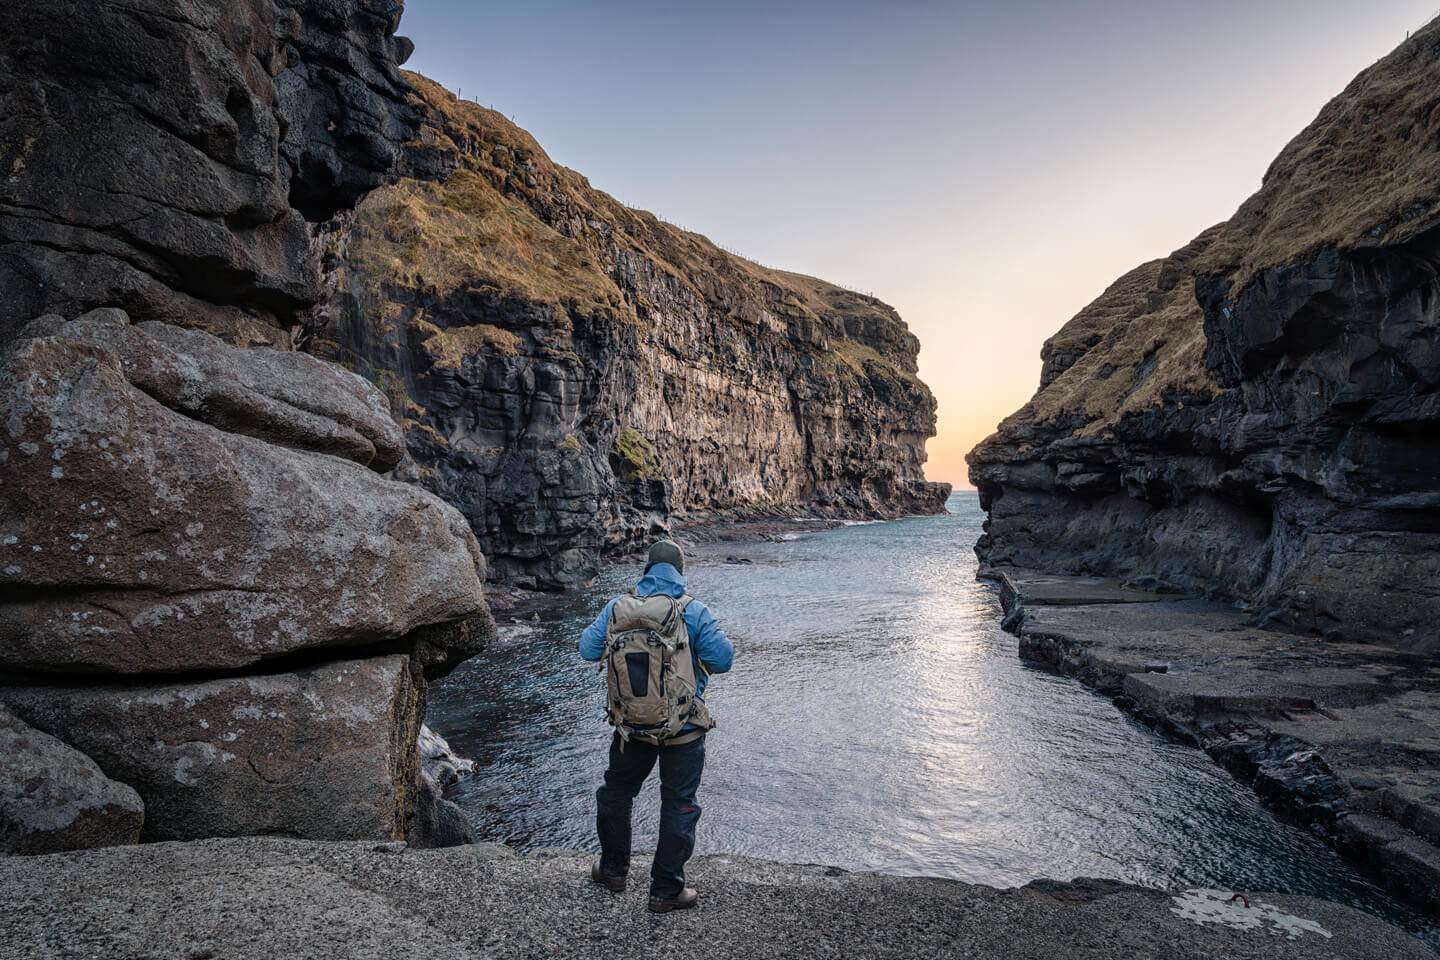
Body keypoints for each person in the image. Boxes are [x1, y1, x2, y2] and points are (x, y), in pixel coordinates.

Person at [578, 538, 733, 913]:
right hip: (683, 729)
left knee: (617, 793)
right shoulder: (693, 610)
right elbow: (723, 659)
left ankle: (613, 871)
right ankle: (666, 890)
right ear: (680, 572)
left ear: (646, 568)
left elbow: (587, 650)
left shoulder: (618, 607)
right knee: (678, 803)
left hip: (631, 727)